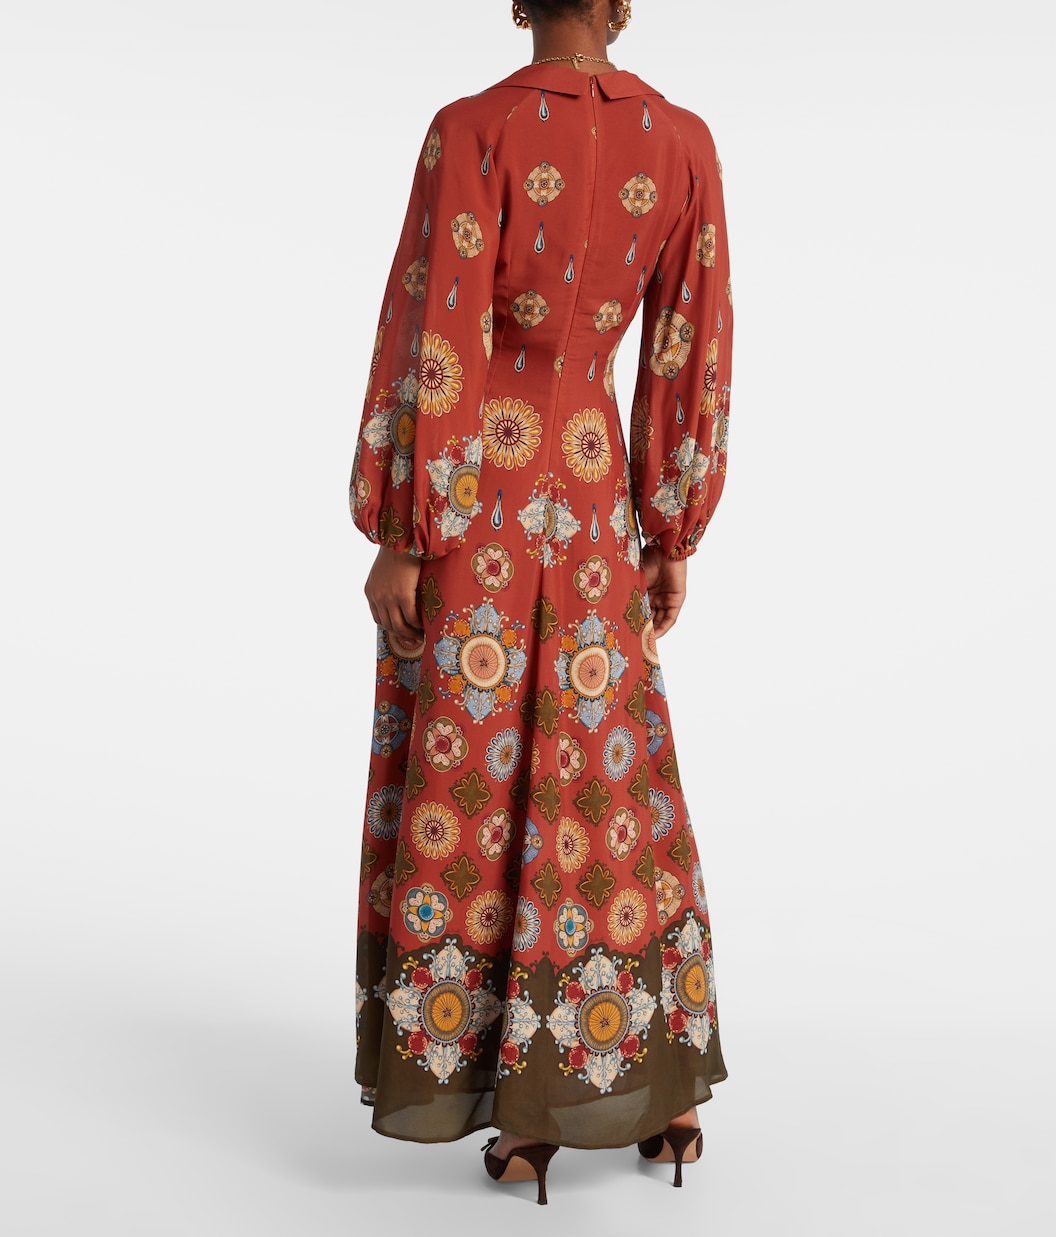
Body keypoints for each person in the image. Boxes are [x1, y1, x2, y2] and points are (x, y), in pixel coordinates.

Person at [349, 0, 734, 1205]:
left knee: (483, 774)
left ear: (518, 0)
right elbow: (686, 346)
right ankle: (659, 1088)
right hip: (595, 480)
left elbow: (437, 336)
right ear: (620, 5)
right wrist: (668, 525)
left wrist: (405, 531)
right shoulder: (681, 142)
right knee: (606, 776)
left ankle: (517, 1107)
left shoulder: (473, 130)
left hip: (483, 494)